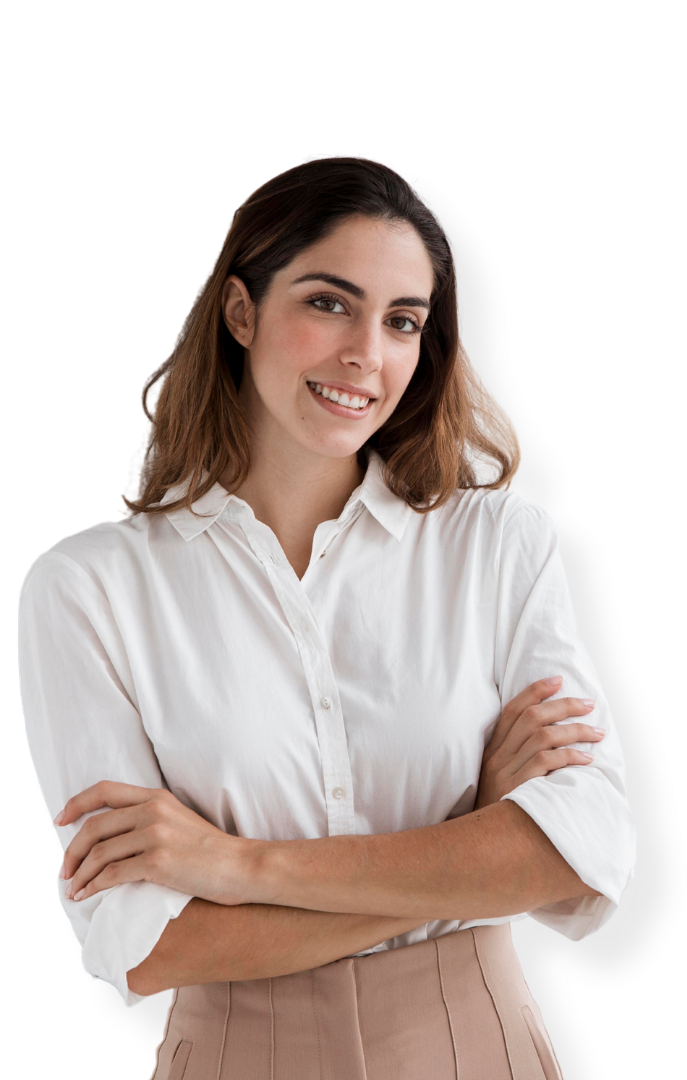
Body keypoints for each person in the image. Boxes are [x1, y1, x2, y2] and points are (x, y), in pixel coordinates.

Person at [18, 156, 636, 1079]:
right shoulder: (89, 588)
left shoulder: (496, 546)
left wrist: (235, 867)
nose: (365, 355)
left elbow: (581, 850)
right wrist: (473, 838)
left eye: (402, 322)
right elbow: (146, 944)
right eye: (328, 303)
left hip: (476, 1044)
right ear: (240, 312)